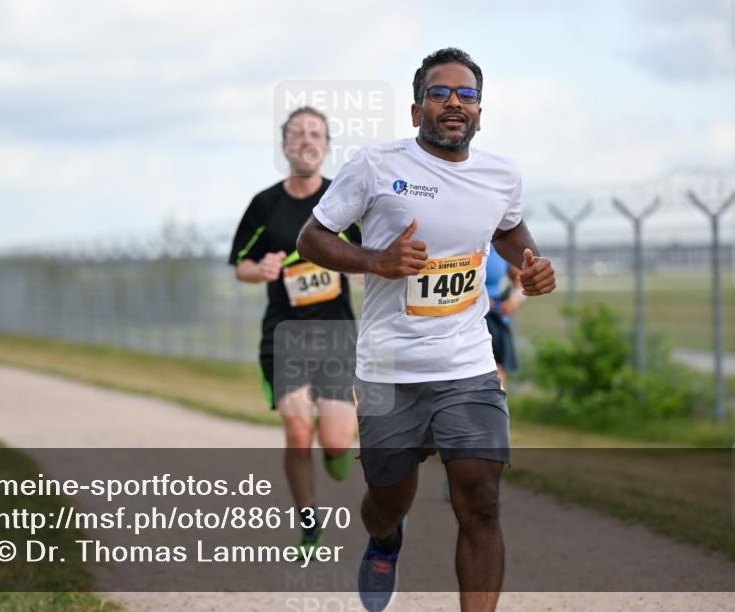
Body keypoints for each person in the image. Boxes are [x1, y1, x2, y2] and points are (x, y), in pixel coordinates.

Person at [297, 48, 556, 612]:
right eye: (439, 93)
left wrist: (529, 263)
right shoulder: (376, 166)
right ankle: (386, 541)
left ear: (480, 112)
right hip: (391, 368)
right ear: (417, 111)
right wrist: (376, 261)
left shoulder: (500, 175)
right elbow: (311, 238)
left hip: (467, 364)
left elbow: (510, 230)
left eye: (466, 95)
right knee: (386, 501)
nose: (454, 103)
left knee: (481, 502)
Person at [229, 106, 361, 556]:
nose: (306, 140)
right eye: (298, 133)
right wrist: (259, 269)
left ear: (325, 146)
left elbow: (370, 255)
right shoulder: (265, 205)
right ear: (285, 145)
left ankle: (336, 448)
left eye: (315, 133)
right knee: (298, 431)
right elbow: (240, 267)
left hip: (337, 335)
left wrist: (359, 266)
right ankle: (309, 524)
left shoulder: (342, 199)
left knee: (336, 440)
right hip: (284, 336)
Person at [484, 249, 524, 387]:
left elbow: (519, 276)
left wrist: (517, 297)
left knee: (496, 375)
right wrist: (477, 301)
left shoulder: (499, 242)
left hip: (496, 320)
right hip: (467, 321)